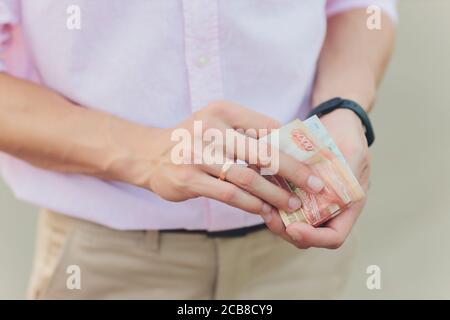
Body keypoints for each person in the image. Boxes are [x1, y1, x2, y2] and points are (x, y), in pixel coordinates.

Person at [0, 0, 396, 299]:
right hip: (109, 262)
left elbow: (358, 6)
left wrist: (344, 108)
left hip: (302, 254)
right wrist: (147, 154)